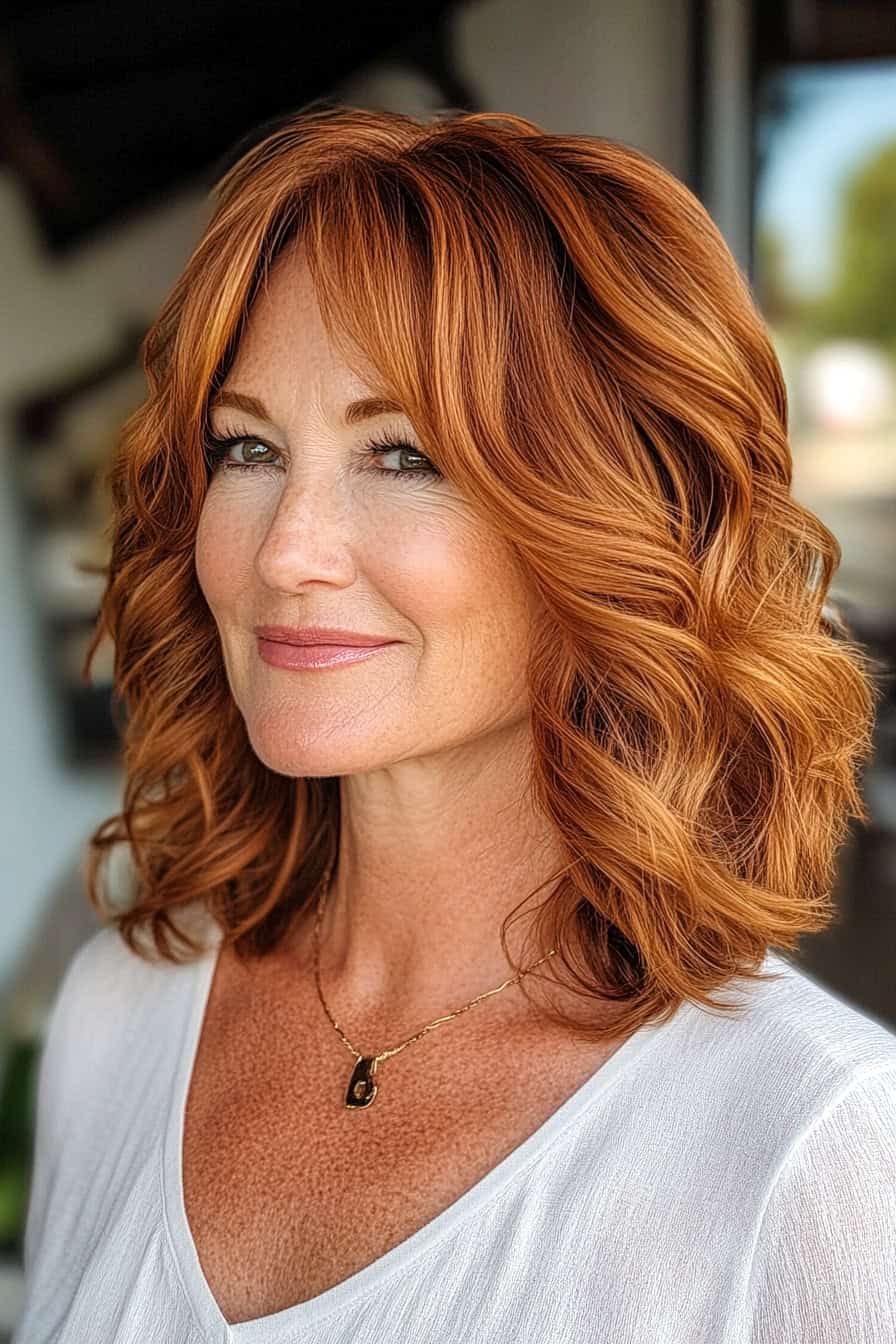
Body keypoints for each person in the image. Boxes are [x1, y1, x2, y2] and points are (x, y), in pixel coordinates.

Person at [13, 101, 896, 1343]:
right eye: (246, 447)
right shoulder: (121, 1015)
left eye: (405, 456)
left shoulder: (812, 1151)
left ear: (615, 522)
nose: (287, 552)